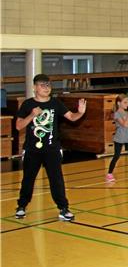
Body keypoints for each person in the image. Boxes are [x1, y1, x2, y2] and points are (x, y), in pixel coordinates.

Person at [15, 74, 86, 221]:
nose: (46, 88)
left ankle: (63, 208)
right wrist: (32, 116)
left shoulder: (56, 103)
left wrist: (80, 112)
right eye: (42, 85)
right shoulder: (28, 104)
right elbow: (18, 126)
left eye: (48, 85)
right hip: (32, 150)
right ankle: (22, 206)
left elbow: (72, 117)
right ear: (35, 88)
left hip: (52, 150)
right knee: (28, 179)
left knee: (57, 180)